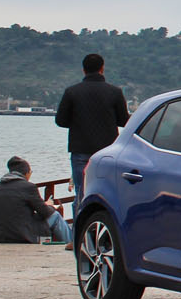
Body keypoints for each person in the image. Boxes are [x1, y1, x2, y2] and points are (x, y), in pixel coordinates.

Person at [55, 53, 129, 209]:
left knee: (81, 195)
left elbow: (60, 121)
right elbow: (124, 121)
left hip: (80, 150)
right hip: (108, 152)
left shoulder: (72, 92)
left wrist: (78, 122)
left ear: (83, 70)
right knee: (108, 195)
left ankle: (80, 232)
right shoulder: (115, 92)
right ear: (102, 69)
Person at [0, 157, 71, 245]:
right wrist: (49, 205)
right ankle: (73, 244)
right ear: (27, 173)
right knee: (55, 216)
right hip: (21, 234)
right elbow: (45, 212)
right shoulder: (28, 187)